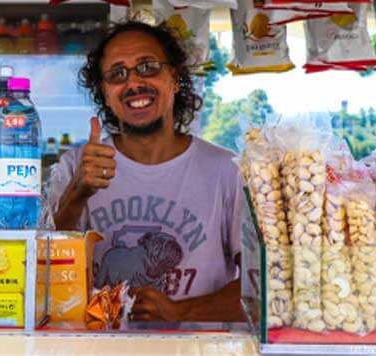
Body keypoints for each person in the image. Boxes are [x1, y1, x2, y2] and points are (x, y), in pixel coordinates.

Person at [49, 21, 246, 322]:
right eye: (117, 74)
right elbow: (42, 279)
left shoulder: (227, 172)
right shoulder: (76, 168)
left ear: (176, 78)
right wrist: (77, 194)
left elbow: (264, 286)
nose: (133, 83)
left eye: (148, 67)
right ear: (104, 93)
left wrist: (182, 312)